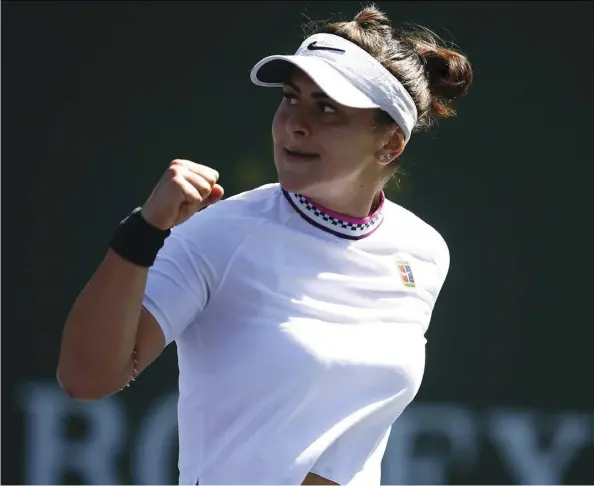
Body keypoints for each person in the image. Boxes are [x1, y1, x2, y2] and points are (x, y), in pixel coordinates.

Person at [57, 4, 472, 485]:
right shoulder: (218, 234)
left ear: (391, 144)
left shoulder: (422, 252)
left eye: (327, 108)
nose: (296, 123)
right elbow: (87, 377)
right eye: (290, 99)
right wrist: (144, 231)